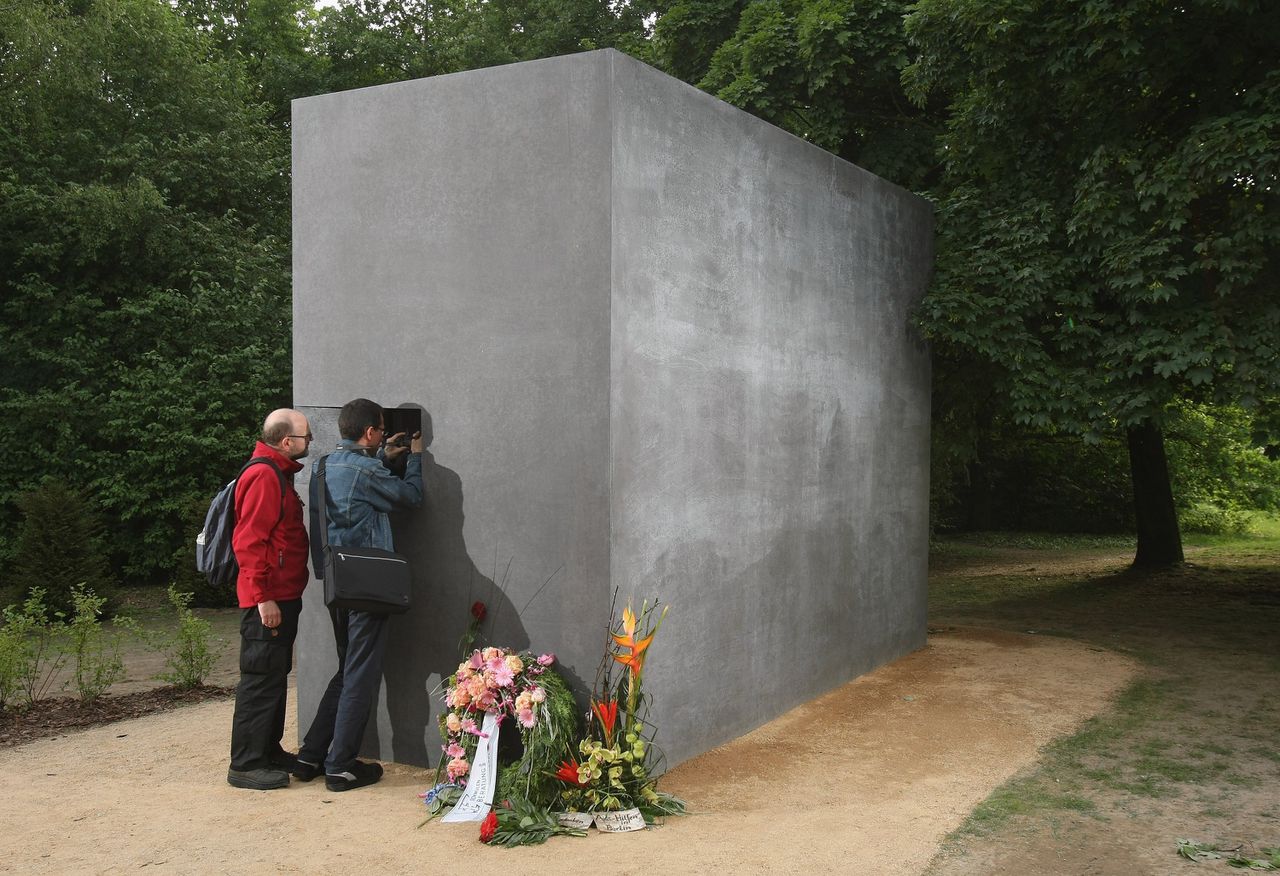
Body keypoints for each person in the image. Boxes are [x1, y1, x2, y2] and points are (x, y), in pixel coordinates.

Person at [294, 398, 423, 791]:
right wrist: (414, 458)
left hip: (338, 582)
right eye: (382, 430)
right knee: (361, 674)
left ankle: (309, 755)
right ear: (369, 432)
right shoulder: (365, 470)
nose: (384, 435)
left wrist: (383, 456)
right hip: (369, 585)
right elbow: (411, 497)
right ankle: (341, 766)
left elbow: (351, 505)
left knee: (348, 666)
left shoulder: (323, 466)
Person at [227, 408, 313, 790]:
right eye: (306, 437)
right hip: (268, 599)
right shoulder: (264, 475)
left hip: (282, 594)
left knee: (275, 676)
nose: (309, 442)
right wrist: (263, 598)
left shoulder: (278, 473)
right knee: (260, 677)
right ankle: (245, 763)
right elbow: (248, 542)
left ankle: (268, 750)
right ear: (286, 441)